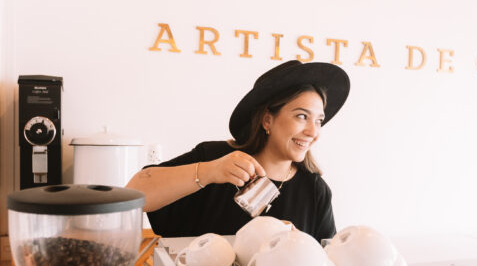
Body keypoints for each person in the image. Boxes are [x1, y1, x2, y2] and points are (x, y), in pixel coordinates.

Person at [127, 60, 350, 242]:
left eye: (319, 120)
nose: (313, 131)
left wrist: (298, 245)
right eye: (301, 116)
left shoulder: (314, 190)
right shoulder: (214, 158)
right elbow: (135, 194)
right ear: (267, 120)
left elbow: (326, 265)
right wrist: (209, 172)